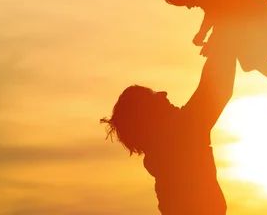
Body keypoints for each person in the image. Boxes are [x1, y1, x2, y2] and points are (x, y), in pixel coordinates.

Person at [100, 40, 237, 214]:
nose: (163, 94)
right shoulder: (180, 136)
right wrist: (225, 40)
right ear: (148, 115)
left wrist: (221, 47)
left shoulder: (164, 153)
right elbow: (217, 89)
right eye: (154, 95)